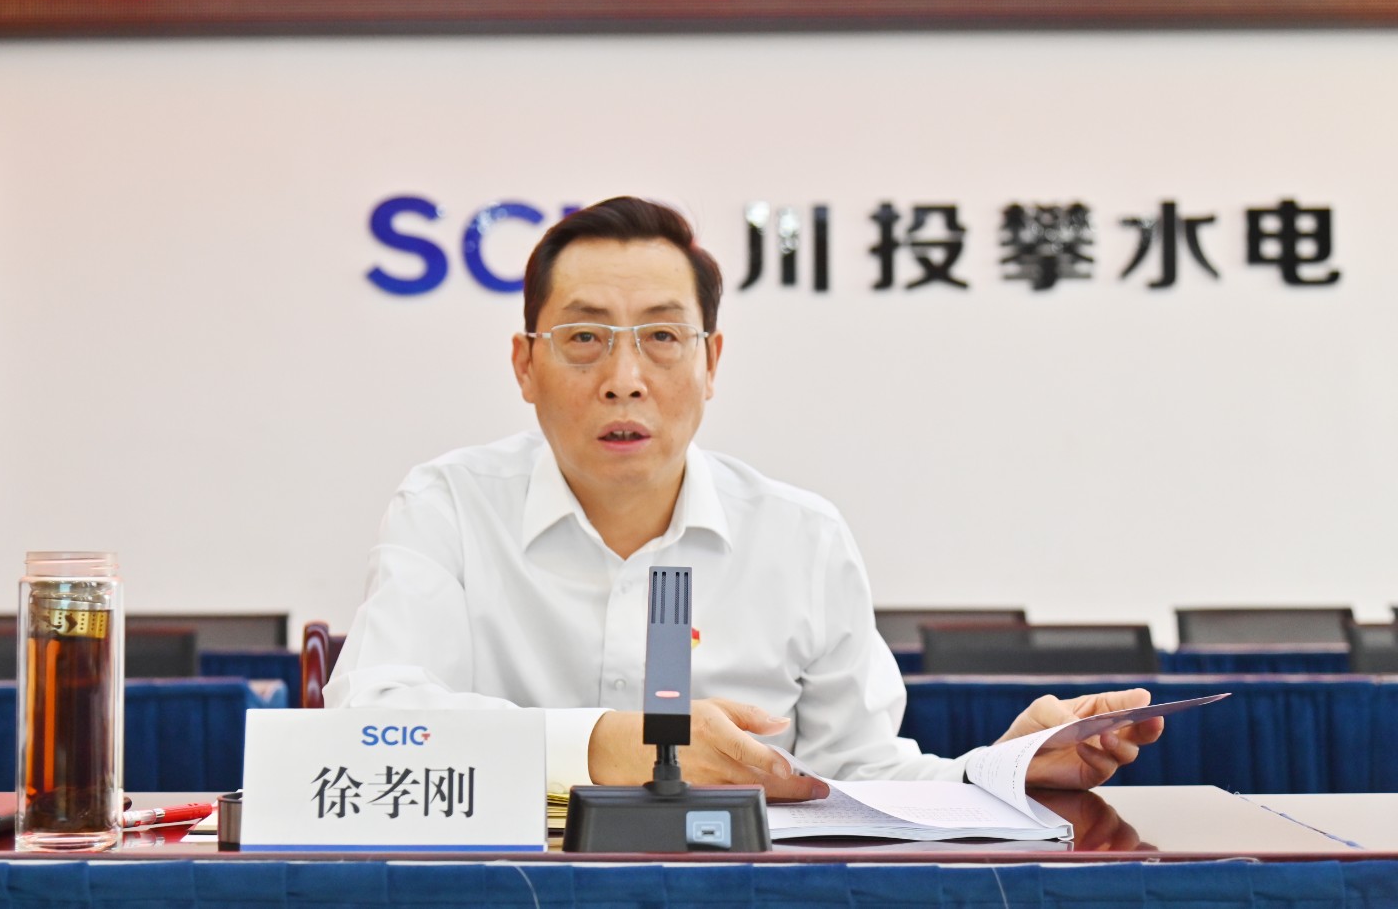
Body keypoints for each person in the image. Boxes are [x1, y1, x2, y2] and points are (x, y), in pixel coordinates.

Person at [328, 196, 1162, 800]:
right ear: (524, 365)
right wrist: (609, 745)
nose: (624, 379)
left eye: (662, 337)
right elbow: (369, 721)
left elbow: (859, 775)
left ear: (712, 362)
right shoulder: (448, 507)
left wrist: (1001, 773)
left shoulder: (800, 538)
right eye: (584, 338)